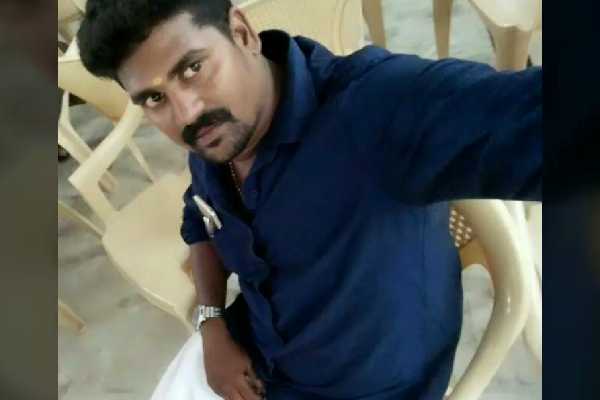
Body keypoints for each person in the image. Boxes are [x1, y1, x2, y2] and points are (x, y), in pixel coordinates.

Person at [77, 1, 542, 399]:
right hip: (252, 362)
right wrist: (212, 322)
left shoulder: (373, 111)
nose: (186, 113)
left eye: (193, 68)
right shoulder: (217, 141)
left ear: (242, 33)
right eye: (154, 98)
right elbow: (200, 219)